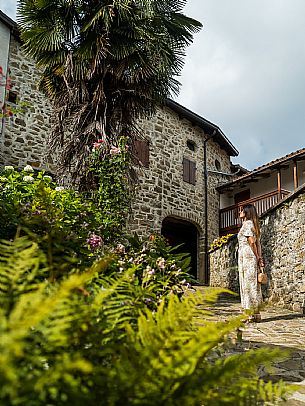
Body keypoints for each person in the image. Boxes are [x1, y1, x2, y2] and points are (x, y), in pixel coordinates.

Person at [237, 204, 264, 322]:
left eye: (242, 210)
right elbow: (258, 244)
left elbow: (252, 242)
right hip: (250, 256)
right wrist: (259, 258)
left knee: (247, 284)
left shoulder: (247, 224)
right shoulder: (254, 225)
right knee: (253, 285)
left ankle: (248, 314)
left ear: (247, 212)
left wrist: (257, 257)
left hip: (247, 255)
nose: (240, 212)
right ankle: (256, 313)